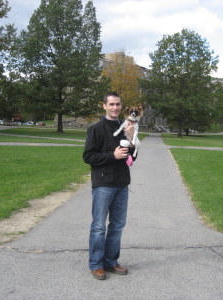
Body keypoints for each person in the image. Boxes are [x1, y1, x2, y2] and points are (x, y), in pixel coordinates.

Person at [83, 92, 137, 280]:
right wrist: (111, 156)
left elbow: (132, 158)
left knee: (117, 226)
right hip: (104, 184)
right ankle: (96, 264)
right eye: (112, 104)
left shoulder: (127, 128)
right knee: (99, 226)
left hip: (122, 183)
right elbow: (88, 156)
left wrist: (131, 140)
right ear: (104, 106)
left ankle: (111, 261)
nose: (115, 108)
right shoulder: (96, 129)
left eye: (118, 104)